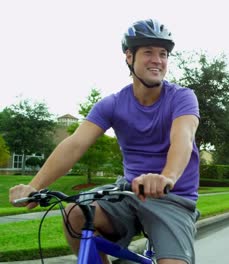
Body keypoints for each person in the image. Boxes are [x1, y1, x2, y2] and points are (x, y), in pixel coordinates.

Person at [9, 18, 200, 264]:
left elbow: (182, 138)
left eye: (163, 54)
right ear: (129, 56)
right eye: (148, 52)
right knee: (75, 213)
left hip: (173, 198)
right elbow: (75, 145)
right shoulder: (112, 104)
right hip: (128, 193)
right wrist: (33, 186)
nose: (157, 60)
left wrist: (167, 178)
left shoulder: (182, 98)